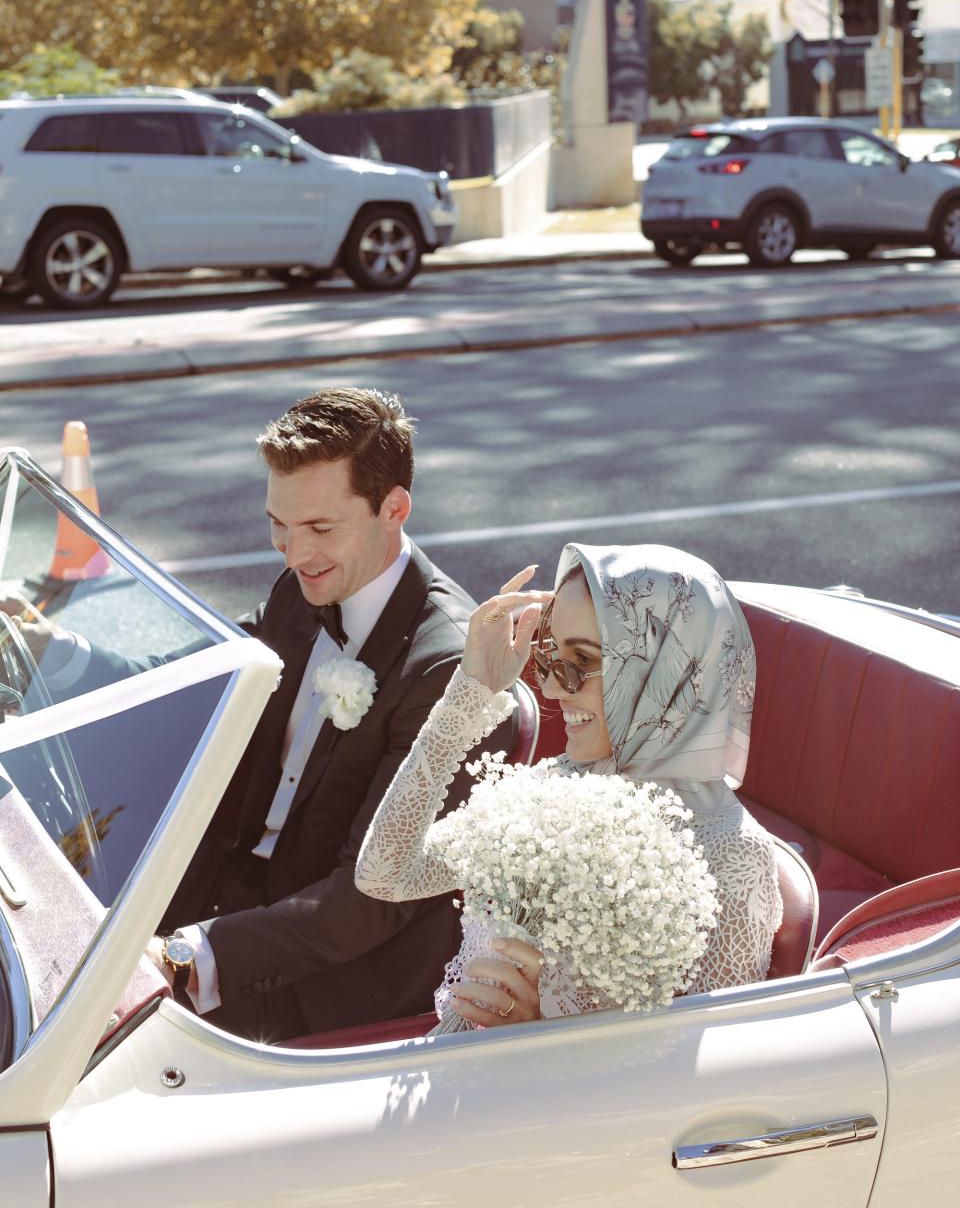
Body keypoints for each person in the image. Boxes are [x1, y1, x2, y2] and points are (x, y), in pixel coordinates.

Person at [6, 388, 517, 1042]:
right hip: (223, 893)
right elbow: (191, 683)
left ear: (394, 509)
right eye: (278, 523)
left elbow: (366, 904)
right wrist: (53, 651)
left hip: (323, 973)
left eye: (319, 528)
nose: (292, 551)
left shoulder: (449, 670)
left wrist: (187, 955)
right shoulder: (303, 587)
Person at [355, 543, 783, 1029]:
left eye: (582, 660)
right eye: (549, 656)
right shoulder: (557, 787)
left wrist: (541, 1031)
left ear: (665, 667)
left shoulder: (732, 856)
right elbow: (384, 875)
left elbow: (718, 1068)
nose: (553, 688)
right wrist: (471, 690)